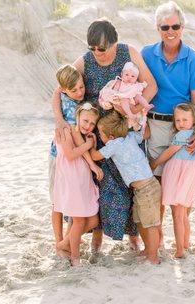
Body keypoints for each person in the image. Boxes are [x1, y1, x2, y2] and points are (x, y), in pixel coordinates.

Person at [52, 18, 157, 251]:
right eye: (92, 48)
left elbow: (151, 86)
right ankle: (95, 241)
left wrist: (134, 110)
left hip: (125, 135)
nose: (97, 52)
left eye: (102, 48)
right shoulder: (86, 61)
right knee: (99, 190)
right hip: (97, 137)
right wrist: (59, 120)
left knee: (129, 187)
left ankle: (133, 239)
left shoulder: (128, 52)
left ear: (114, 43)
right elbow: (60, 89)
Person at [141, 1, 195, 244]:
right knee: (157, 184)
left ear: (183, 26)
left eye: (175, 26)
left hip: (185, 126)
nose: (170, 31)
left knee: (182, 184)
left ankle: (181, 236)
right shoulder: (146, 54)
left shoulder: (193, 58)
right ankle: (158, 239)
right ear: (157, 28)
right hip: (155, 126)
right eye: (164, 26)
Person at [90, 111, 161, 264]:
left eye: (101, 133)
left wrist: (92, 143)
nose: (101, 136)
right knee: (139, 220)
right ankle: (148, 249)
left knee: (151, 224)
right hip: (141, 189)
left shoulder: (113, 145)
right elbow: (146, 135)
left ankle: (154, 257)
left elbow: (95, 156)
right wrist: (142, 120)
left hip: (147, 188)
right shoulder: (129, 137)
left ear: (110, 136)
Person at [49, 65, 102, 252]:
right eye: (74, 90)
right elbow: (79, 145)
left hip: (72, 158)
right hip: (62, 157)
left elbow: (56, 92)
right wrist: (92, 161)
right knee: (58, 200)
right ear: (65, 90)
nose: (80, 92)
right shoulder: (71, 111)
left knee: (67, 200)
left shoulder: (71, 98)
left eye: (82, 87)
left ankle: (67, 241)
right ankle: (61, 242)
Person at [150, 103, 195, 258]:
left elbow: (170, 151)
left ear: (194, 120)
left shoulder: (182, 135)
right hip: (189, 175)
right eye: (178, 120)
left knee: (177, 214)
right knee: (182, 214)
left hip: (177, 174)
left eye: (185, 120)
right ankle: (185, 243)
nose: (181, 124)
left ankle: (180, 250)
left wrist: (155, 163)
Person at [54, 102, 103, 266]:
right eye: (85, 121)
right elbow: (70, 154)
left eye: (92, 123)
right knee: (80, 221)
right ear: (78, 117)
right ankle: (75, 257)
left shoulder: (79, 134)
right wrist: (88, 145)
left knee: (93, 220)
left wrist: (93, 166)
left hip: (83, 179)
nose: (88, 126)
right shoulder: (67, 131)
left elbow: (86, 154)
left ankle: (65, 243)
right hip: (71, 180)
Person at [99, 61, 153, 127]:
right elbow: (114, 92)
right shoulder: (119, 82)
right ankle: (130, 114)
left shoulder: (135, 85)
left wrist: (141, 87)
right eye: (126, 75)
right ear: (122, 74)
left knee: (138, 96)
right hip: (123, 99)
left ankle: (146, 105)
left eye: (133, 76)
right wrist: (116, 95)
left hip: (133, 100)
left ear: (136, 78)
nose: (129, 77)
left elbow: (139, 90)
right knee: (124, 100)